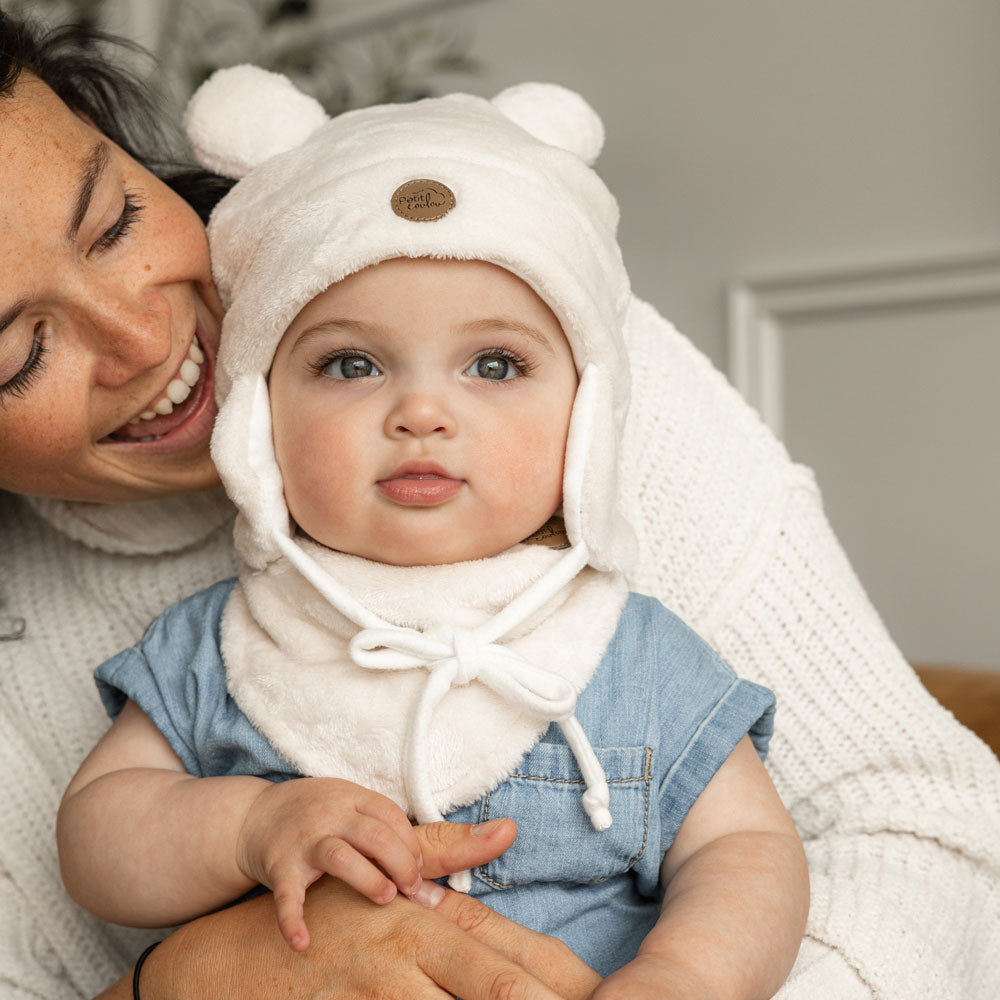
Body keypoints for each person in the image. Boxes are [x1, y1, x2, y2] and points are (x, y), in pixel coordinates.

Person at [2, 10, 999, 1000]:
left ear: (586, 423)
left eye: (114, 221)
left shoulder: (621, 637)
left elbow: (765, 843)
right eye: (18, 351)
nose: (424, 412)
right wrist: (244, 845)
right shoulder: (221, 645)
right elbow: (101, 830)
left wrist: (685, 976)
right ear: (270, 411)